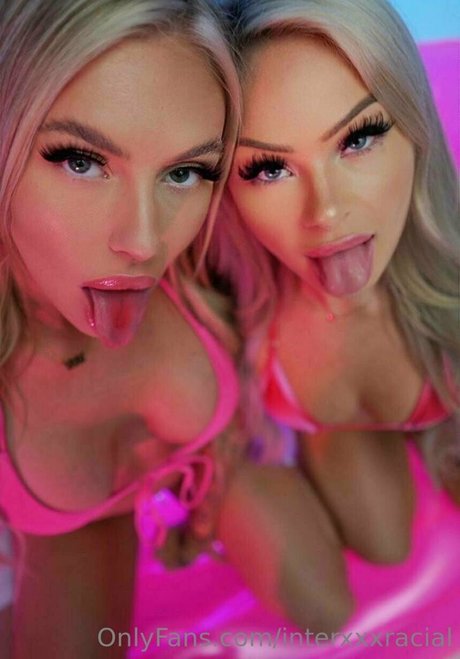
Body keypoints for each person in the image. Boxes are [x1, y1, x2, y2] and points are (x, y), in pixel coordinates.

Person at [209, 0, 460, 637]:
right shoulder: (227, 288)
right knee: (348, 584)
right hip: (282, 432)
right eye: (269, 168)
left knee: (387, 543)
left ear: (415, 126)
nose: (324, 211)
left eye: (359, 138)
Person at [0, 1, 240, 657]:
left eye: (184, 172)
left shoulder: (219, 255)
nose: (143, 240)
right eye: (81, 160)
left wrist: (229, 457)